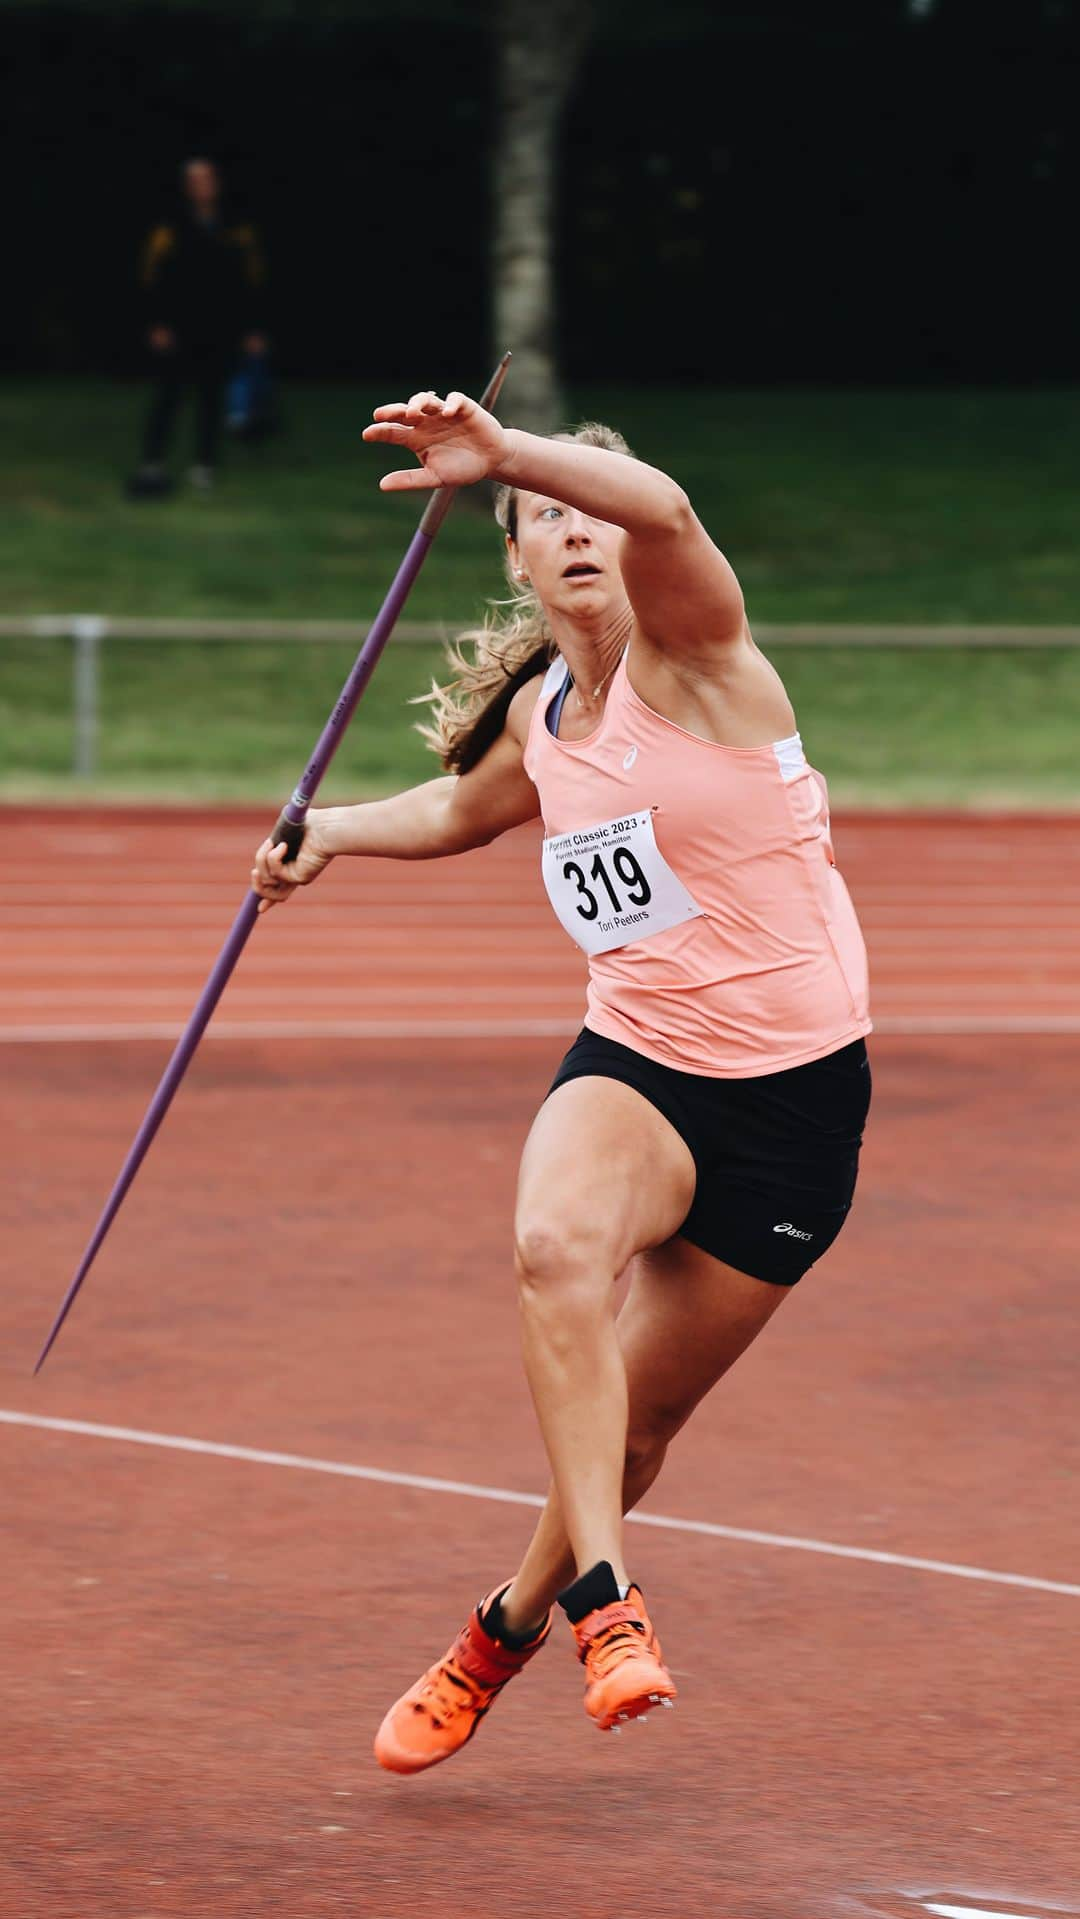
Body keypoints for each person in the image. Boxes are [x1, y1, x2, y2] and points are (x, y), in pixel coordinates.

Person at [251, 390, 873, 1772]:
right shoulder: (547, 714)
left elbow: (667, 506)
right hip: (638, 1064)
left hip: (795, 1105)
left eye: (587, 507)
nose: (577, 528)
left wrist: (510, 457)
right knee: (554, 1245)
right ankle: (607, 1602)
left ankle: (502, 1623)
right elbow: (467, 807)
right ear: (521, 566)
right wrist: (327, 832)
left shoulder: (703, 661)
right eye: (543, 520)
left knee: (638, 1427)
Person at [127, 157, 267, 497]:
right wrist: (156, 322)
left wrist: (252, 328)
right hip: (178, 328)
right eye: (194, 180)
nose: (201, 186)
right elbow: (150, 276)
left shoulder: (236, 226)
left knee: (212, 397)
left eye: (206, 179)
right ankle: (153, 461)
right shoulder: (170, 226)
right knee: (168, 395)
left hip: (221, 328)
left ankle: (205, 464)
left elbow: (252, 280)